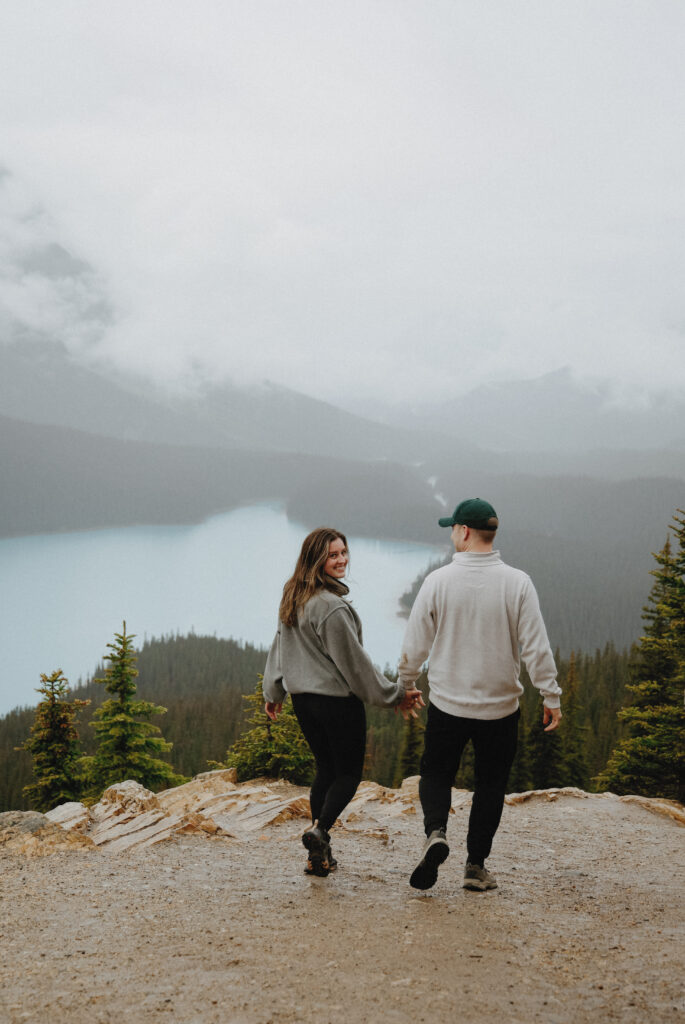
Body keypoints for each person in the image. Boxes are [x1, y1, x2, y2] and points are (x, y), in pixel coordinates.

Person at [399, 498, 562, 892]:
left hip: (448, 704)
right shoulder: (518, 582)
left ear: (465, 532)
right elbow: (536, 647)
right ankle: (475, 867)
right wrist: (550, 695)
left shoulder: (438, 582)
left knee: (436, 773)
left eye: (452, 529)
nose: (452, 535)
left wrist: (406, 683)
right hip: (500, 709)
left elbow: (415, 643)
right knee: (490, 785)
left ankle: (436, 832)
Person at [263, 526, 422, 877]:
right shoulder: (332, 608)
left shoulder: (294, 597)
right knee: (348, 774)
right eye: (332, 555)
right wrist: (394, 693)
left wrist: (273, 692)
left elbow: (278, 648)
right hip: (336, 703)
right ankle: (320, 832)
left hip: (304, 703)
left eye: (343, 553)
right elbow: (356, 665)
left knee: (325, 770)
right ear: (316, 559)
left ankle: (318, 855)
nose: (341, 560)